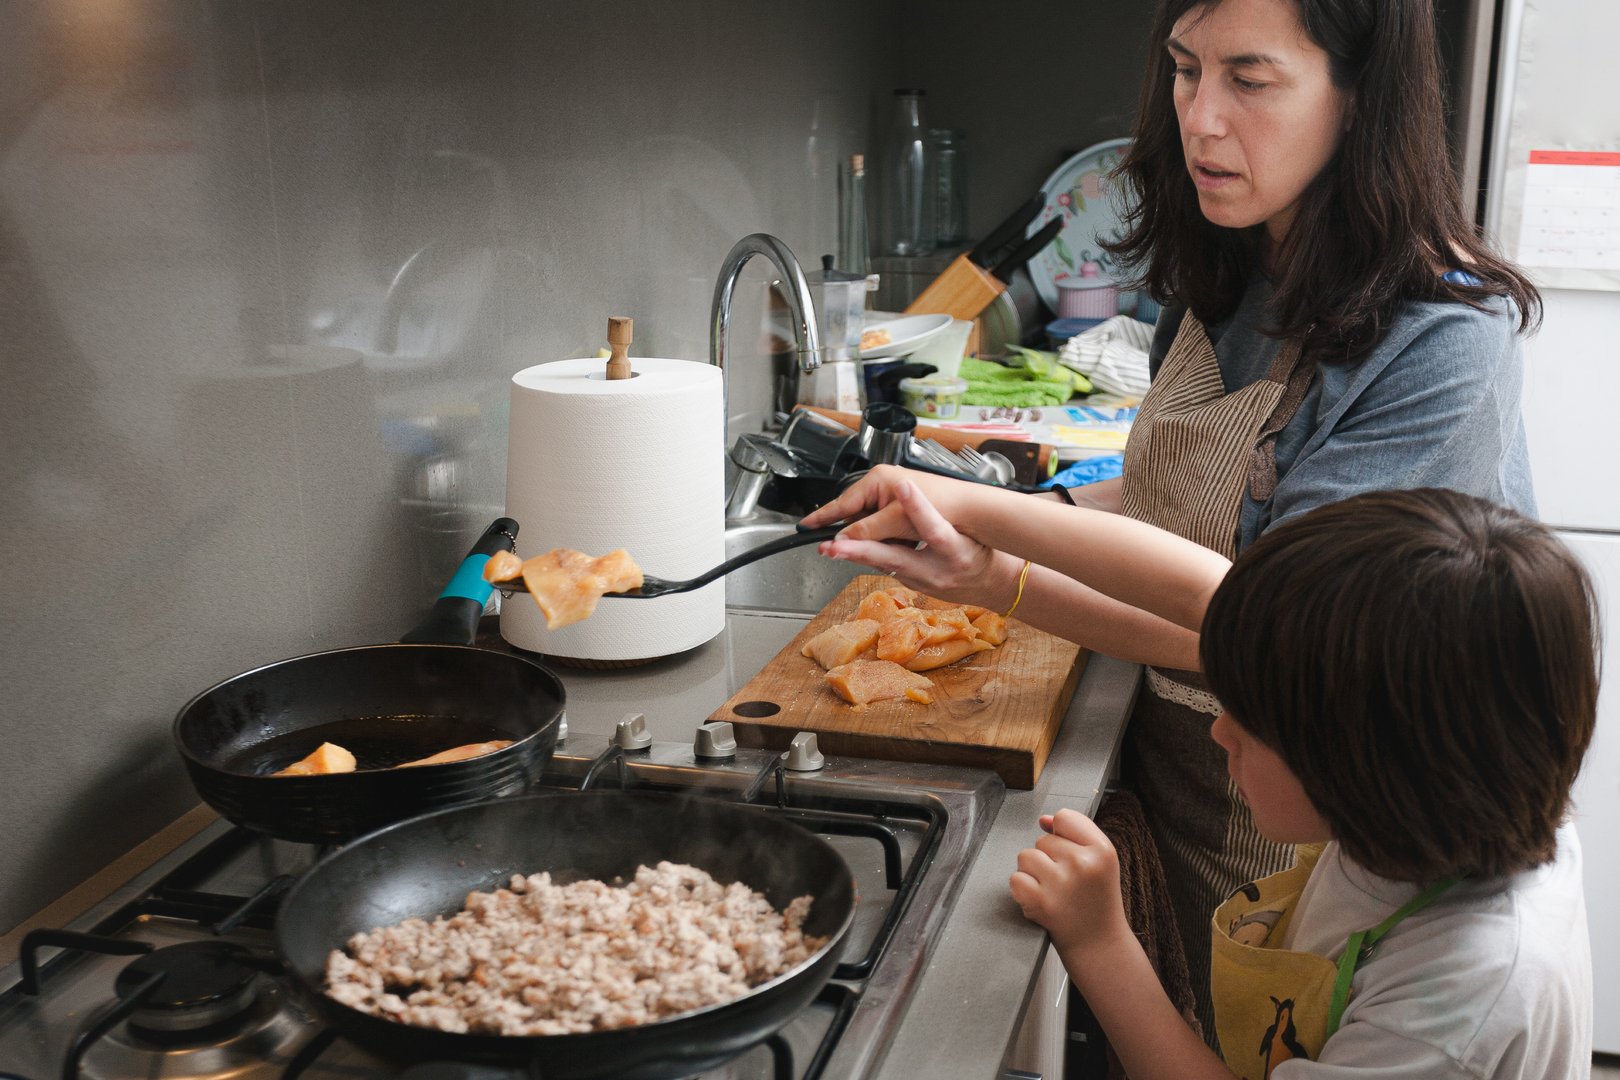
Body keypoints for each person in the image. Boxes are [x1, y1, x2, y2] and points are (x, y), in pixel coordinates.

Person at [829, 0, 1546, 1030]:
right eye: (1182, 69)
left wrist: (1004, 547)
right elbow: (1166, 495)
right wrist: (1019, 520)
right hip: (1198, 778)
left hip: (1326, 835)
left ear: (1360, 97)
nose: (1198, 118)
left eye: (1248, 81)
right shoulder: (1238, 259)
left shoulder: (1442, 339)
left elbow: (1271, 625)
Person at [807, 477, 1596, 1078]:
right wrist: (971, 517)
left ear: (1363, 764)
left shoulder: (1452, 1010)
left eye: (1250, 722)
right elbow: (1200, 591)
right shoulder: (1463, 777)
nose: (1220, 729)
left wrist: (1100, 938)